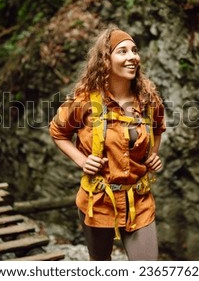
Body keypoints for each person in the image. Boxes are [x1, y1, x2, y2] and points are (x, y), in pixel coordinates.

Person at [49, 27, 166, 261]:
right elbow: (57, 131)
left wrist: (152, 154)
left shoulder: (147, 97)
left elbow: (157, 127)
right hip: (98, 201)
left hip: (139, 201)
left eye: (134, 50)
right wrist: (82, 160)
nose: (132, 56)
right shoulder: (84, 100)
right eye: (122, 51)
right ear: (106, 59)